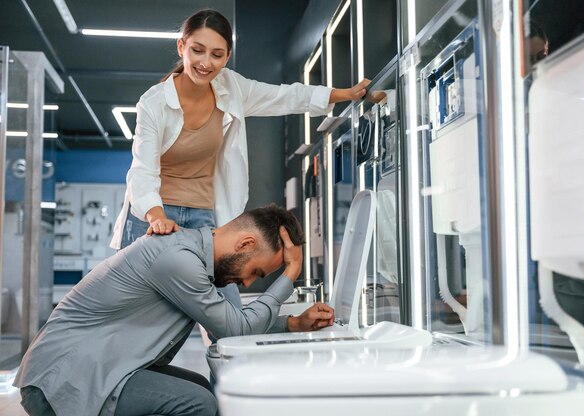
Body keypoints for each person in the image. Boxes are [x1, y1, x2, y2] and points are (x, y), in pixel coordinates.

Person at [15, 205, 335, 416]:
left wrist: (293, 324)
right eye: (258, 272)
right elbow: (237, 330)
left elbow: (233, 323)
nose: (248, 283)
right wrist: (290, 274)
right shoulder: (179, 259)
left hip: (94, 370)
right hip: (62, 382)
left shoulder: (190, 258)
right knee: (198, 403)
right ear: (246, 244)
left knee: (199, 387)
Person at [110, 8, 370, 250]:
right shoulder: (153, 102)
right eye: (197, 50)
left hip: (203, 213)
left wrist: (344, 94)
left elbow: (283, 96)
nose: (205, 63)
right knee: (144, 298)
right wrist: (157, 217)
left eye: (217, 54)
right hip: (153, 213)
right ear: (182, 47)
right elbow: (142, 170)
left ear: (228, 56)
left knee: (221, 293)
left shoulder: (231, 87)